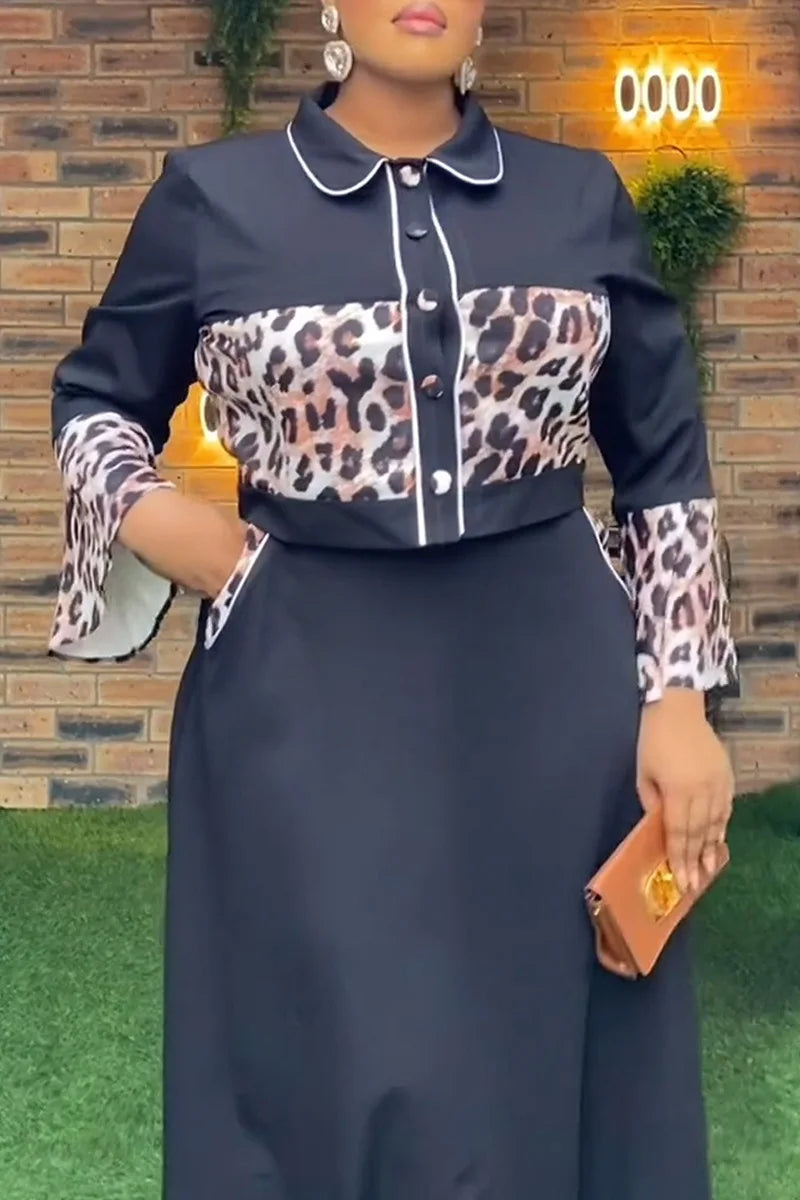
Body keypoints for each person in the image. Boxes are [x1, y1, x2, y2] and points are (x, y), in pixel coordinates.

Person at [48, 1, 738, 1196]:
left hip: (552, 693)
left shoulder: (578, 198)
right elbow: (98, 401)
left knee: (538, 1046)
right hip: (301, 691)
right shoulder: (212, 199)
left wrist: (677, 700)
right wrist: (171, 528)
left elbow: (662, 460)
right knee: (323, 1046)